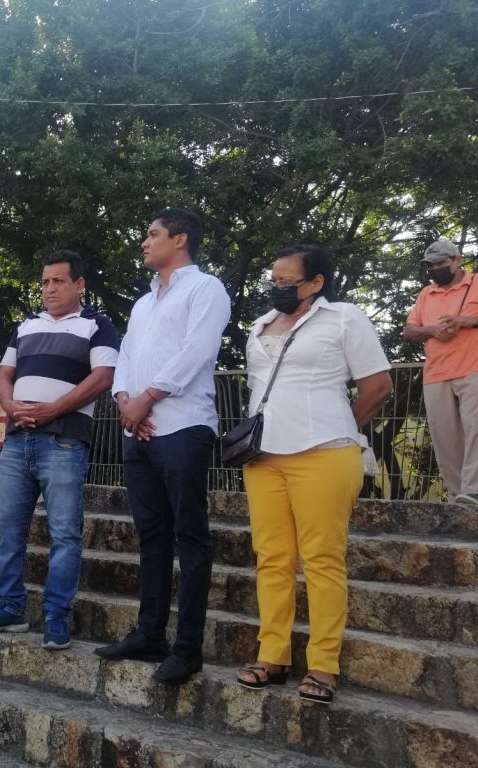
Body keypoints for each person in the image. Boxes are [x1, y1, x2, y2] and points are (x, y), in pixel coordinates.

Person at [234, 244, 391, 704]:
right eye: (274, 280)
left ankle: (323, 665)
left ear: (316, 282)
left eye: (287, 281)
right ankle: (272, 655)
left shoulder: (343, 318)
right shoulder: (260, 326)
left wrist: (338, 425)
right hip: (262, 455)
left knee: (322, 559)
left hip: (324, 452)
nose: (277, 287)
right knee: (271, 557)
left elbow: (378, 385)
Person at [94, 208, 230, 684]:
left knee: (190, 536)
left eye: (153, 234)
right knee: (151, 535)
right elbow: (127, 355)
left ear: (180, 238)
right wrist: (125, 400)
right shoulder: (143, 302)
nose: (145, 242)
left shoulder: (206, 288)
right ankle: (149, 632)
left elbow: (197, 351)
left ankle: (187, 648)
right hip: (139, 430)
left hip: (183, 426)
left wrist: (147, 398)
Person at [0, 251, 119, 649]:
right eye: (45, 282)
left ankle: (56, 616)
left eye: (58, 281)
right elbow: (4, 373)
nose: (49, 289)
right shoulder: (26, 325)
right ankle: (10, 607)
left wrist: (53, 409)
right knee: (8, 530)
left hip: (64, 440)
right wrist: (8, 405)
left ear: (79, 284)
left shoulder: (97, 325)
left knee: (65, 534)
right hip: (17, 440)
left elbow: (104, 376)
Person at [403, 237, 478, 505]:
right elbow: (409, 330)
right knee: (445, 438)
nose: (435, 269)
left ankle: (474, 490)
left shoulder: (476, 283)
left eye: (440, 263)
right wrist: (433, 330)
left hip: (474, 368)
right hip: (436, 373)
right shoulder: (426, 293)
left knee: (476, 429)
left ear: (458, 261)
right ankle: (460, 498)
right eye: (431, 265)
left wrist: (464, 321)